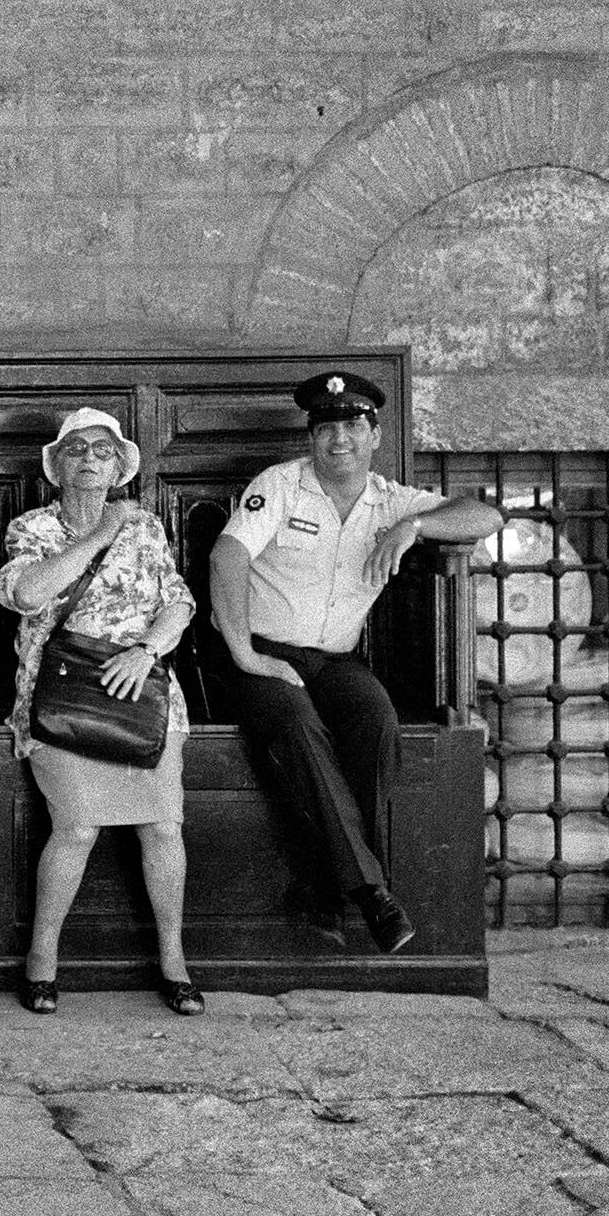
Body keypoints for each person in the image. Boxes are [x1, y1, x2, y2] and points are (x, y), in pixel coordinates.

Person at [210, 370, 505, 953]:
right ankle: (372, 893)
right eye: (324, 428)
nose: (337, 439)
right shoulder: (281, 485)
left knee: (376, 718)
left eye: (351, 425)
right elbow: (227, 556)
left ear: (374, 434)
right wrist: (244, 654)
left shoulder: (391, 501)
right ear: (311, 438)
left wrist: (415, 525)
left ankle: (325, 889)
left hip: (337, 658)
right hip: (261, 652)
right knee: (298, 727)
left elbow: (487, 516)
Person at [0, 408, 198, 1017]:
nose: (89, 458)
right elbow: (26, 594)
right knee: (78, 828)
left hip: (140, 695)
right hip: (61, 699)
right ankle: (41, 961)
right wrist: (100, 534)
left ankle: (174, 960)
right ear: (57, 466)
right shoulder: (31, 527)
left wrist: (146, 651)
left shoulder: (148, 528)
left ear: (118, 467)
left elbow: (179, 601)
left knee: (163, 828)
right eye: (77, 449)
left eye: (104, 450)